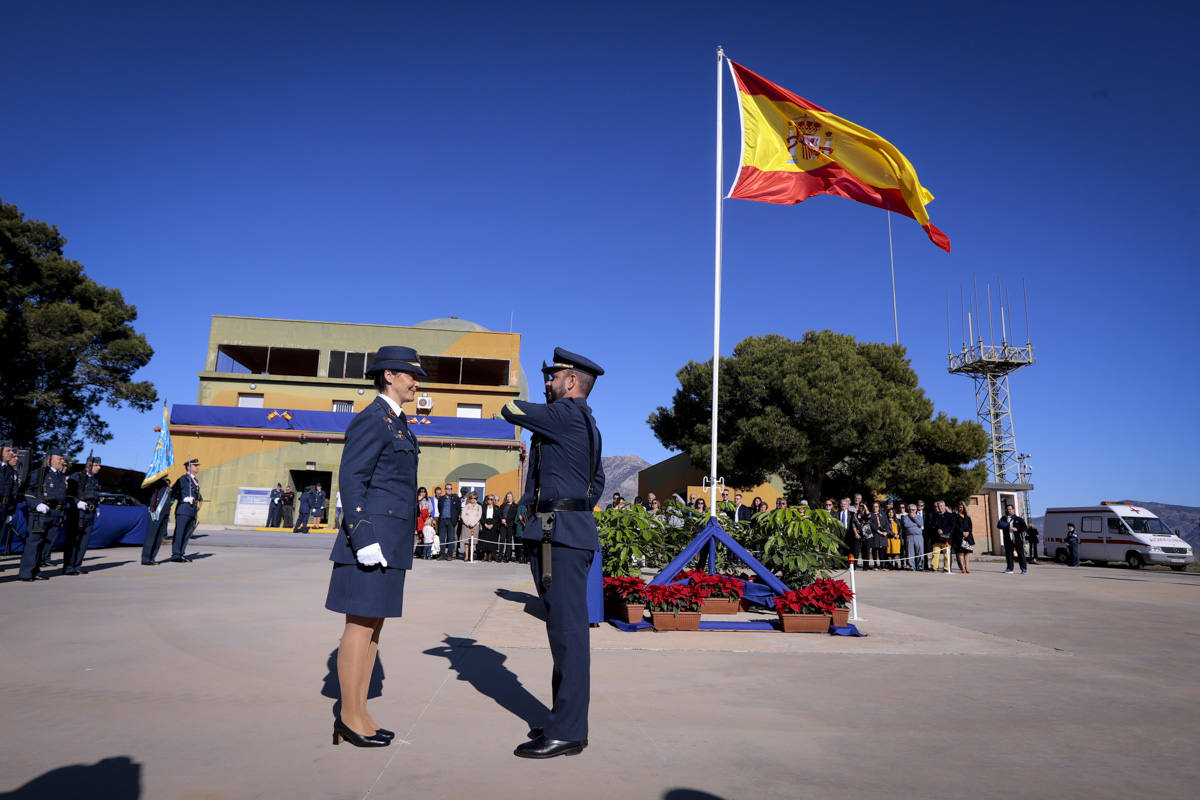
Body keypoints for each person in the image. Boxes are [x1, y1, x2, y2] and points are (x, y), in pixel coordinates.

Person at [501, 347, 605, 759]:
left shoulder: (565, 414)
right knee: (563, 634)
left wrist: (562, 512)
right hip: (560, 533)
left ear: (572, 381)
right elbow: (594, 481)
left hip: (561, 538)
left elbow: (511, 408)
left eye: (553, 376)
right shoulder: (585, 423)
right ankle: (565, 721)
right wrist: (571, 507)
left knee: (568, 636)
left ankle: (569, 730)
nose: (547, 382)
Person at [325, 344, 426, 748]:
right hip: (370, 542)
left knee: (373, 629)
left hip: (392, 541)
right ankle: (348, 718)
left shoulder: (398, 423)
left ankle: (360, 712)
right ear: (389, 376)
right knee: (358, 626)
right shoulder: (373, 420)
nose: (416, 382)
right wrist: (363, 537)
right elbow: (352, 481)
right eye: (410, 375)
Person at [19, 446, 69, 581]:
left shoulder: (61, 477)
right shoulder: (39, 473)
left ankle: (35, 570)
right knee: (34, 543)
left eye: (62, 458)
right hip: (41, 513)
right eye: (59, 458)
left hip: (55, 514)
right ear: (49, 460)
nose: (62, 461)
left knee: (46, 544)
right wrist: (37, 504)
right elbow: (27, 491)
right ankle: (26, 573)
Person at [63, 455, 103, 575]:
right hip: (78, 514)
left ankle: (77, 565)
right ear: (89, 465)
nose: (99, 467)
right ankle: (69, 567)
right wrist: (77, 502)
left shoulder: (95, 479)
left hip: (89, 514)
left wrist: (96, 507)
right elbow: (69, 494)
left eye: (99, 465)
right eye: (96, 465)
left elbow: (95, 496)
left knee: (84, 542)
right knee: (73, 541)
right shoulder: (77, 477)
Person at [170, 458, 203, 562]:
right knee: (180, 532)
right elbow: (173, 491)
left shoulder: (195, 480)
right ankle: (176, 555)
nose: (197, 467)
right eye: (195, 465)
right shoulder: (183, 479)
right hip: (183, 509)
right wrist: (182, 498)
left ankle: (181, 553)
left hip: (192, 510)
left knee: (187, 533)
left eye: (197, 465)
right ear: (188, 467)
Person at [142, 477, 173, 565]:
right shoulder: (156, 481)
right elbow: (146, 490)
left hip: (164, 513)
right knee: (152, 536)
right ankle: (146, 558)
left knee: (159, 537)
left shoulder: (165, 483)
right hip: (156, 512)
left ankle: (152, 558)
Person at [997, 502, 1028, 574]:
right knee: (1009, 554)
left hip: (1017, 540)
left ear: (1013, 510)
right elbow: (998, 525)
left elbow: (1025, 527)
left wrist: (1017, 529)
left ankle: (1023, 569)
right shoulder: (1004, 518)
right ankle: (1010, 569)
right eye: (1007, 509)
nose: (1009, 511)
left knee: (1020, 554)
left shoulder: (1019, 519)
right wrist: (1007, 526)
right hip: (1008, 540)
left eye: (1010, 509)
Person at [0, 442, 20, 555]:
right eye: (8, 451)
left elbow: (13, 493)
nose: (12, 453)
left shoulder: (11, 471)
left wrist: (10, 511)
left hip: (3, 508)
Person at [929, 500, 956, 573]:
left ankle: (946, 568)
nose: (940, 507)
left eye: (941, 506)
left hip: (946, 539)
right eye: (938, 506)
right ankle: (934, 567)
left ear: (944, 506)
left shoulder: (950, 515)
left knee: (946, 555)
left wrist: (943, 531)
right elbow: (932, 525)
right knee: (935, 554)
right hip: (937, 539)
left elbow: (952, 526)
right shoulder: (935, 515)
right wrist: (937, 529)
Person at [437, 483, 460, 560]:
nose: (449, 490)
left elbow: (458, 509)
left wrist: (455, 519)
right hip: (443, 520)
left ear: (452, 490)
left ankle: (449, 555)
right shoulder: (441, 498)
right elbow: (439, 508)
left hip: (451, 521)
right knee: (442, 538)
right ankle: (442, 554)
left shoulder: (455, 498)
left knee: (451, 538)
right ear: (445, 489)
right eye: (447, 488)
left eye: (450, 489)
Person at [900, 503, 925, 571]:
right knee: (910, 552)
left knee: (920, 552)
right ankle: (911, 566)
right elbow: (906, 525)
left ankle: (920, 566)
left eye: (913, 510)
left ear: (916, 510)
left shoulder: (919, 517)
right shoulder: (905, 517)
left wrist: (914, 518)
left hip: (918, 537)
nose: (911, 511)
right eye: (910, 510)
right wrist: (915, 525)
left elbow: (920, 524)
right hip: (909, 536)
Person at [460, 492, 482, 562]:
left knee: (473, 543)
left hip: (474, 526)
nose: (473, 499)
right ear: (469, 498)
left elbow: (479, 516)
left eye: (474, 498)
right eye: (471, 498)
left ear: (476, 499)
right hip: (466, 526)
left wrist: (473, 523)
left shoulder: (479, 507)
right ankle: (466, 556)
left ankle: (471, 556)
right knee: (466, 543)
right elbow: (463, 515)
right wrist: (467, 523)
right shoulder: (466, 506)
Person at [953, 500, 974, 574]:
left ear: (964, 507)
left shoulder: (967, 516)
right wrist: (962, 532)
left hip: (968, 537)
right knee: (960, 552)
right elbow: (955, 526)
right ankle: (962, 568)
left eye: (962, 507)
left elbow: (970, 525)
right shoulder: (955, 516)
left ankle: (967, 567)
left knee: (967, 553)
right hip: (959, 537)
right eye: (959, 507)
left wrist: (968, 532)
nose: (960, 508)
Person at [498, 491, 518, 562]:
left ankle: (507, 557)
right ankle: (500, 556)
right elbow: (499, 513)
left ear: (512, 497)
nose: (509, 498)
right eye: (507, 496)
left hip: (510, 525)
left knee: (509, 541)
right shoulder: (503, 505)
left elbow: (513, 515)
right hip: (502, 525)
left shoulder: (515, 506)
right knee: (502, 540)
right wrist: (502, 519)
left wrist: (506, 520)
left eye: (510, 496)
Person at [479, 494, 499, 562]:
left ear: (493, 500)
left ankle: (490, 556)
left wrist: (492, 524)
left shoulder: (496, 508)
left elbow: (497, 518)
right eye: (488, 499)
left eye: (491, 499)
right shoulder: (483, 507)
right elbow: (481, 517)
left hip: (493, 525)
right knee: (484, 540)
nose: (489, 500)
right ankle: (485, 555)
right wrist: (485, 524)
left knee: (491, 541)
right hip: (485, 523)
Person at [415, 487, 433, 559]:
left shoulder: (428, 500)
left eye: (424, 492)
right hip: (419, 519)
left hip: (426, 519)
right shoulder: (417, 499)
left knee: (426, 535)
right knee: (420, 536)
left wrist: (426, 514)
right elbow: (415, 509)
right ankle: (419, 552)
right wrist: (418, 501)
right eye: (421, 491)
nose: (423, 493)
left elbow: (431, 508)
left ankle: (426, 553)